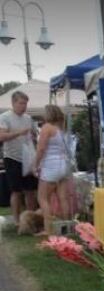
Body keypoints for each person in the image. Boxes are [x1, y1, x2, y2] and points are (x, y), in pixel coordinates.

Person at [32, 105, 72, 235]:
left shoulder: (46, 128)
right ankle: (67, 227)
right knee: (63, 198)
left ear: (48, 114)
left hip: (50, 166)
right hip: (64, 166)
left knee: (43, 198)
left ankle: (48, 229)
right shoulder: (62, 129)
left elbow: (41, 149)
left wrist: (35, 165)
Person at [0, 91, 38, 224]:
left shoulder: (28, 118)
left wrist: (34, 138)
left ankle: (31, 219)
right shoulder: (5, 117)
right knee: (16, 191)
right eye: (21, 103)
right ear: (13, 103)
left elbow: (34, 136)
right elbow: (2, 137)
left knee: (31, 191)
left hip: (28, 159)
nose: (24, 106)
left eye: (25, 103)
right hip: (12, 158)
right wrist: (19, 133)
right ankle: (17, 221)